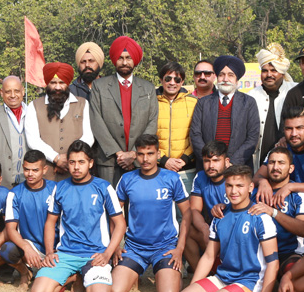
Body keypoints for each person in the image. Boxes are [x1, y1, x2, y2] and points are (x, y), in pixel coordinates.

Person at [172, 165, 278, 292]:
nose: (234, 191)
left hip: (249, 282)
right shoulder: (220, 216)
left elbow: (273, 263)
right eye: (229, 186)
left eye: (239, 186)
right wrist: (193, 287)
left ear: (250, 187)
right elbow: (209, 257)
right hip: (223, 277)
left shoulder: (261, 218)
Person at [30, 140, 125, 292]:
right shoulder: (60, 187)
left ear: (90, 163)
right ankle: (72, 277)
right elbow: (50, 223)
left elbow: (120, 224)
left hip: (94, 255)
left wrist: (107, 254)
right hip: (66, 254)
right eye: (72, 162)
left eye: (81, 162)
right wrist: (49, 252)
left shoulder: (103, 187)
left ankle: (83, 274)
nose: (76, 167)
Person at [110, 134, 191, 292]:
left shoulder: (172, 178)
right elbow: (115, 215)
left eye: (150, 154)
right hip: (134, 248)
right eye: (141, 154)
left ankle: (172, 274)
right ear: (135, 155)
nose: (145, 159)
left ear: (158, 154)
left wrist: (180, 248)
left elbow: (187, 213)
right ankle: (134, 274)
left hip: (165, 246)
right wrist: (116, 246)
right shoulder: (127, 179)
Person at [88, 36, 159, 184]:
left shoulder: (148, 88)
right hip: (109, 160)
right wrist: (119, 153)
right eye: (120, 58)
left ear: (135, 60)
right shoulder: (99, 86)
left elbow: (152, 121)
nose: (125, 62)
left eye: (128, 58)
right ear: (115, 60)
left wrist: (134, 153)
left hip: (139, 159)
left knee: (138, 198)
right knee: (110, 198)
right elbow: (96, 121)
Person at [246, 146, 304, 277]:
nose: (276, 167)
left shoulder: (300, 195)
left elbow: (303, 229)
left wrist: (273, 212)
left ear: (291, 168)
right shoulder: (253, 192)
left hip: (288, 252)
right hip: (256, 252)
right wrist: (221, 207)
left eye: (281, 163)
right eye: (272, 162)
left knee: (294, 270)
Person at [24, 62, 94, 181]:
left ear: (68, 83)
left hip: (76, 172)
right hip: (46, 173)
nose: (57, 87)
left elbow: (88, 136)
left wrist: (69, 159)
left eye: (61, 83)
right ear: (47, 83)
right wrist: (56, 158)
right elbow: (33, 140)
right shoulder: (34, 106)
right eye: (53, 83)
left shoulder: (83, 104)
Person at [188, 55, 260, 168]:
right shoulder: (203, 103)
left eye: (231, 75)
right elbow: (195, 135)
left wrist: (231, 163)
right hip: (209, 167)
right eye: (221, 75)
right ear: (217, 77)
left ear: (237, 79)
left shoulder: (248, 102)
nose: (225, 79)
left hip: (238, 168)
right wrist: (211, 161)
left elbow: (252, 137)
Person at [2, 150, 57, 291]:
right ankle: (25, 272)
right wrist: (26, 247)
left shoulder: (56, 189)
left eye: (35, 170)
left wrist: (54, 250)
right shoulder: (14, 194)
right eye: (27, 170)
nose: (30, 174)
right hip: (31, 246)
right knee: (7, 250)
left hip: (56, 247)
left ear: (45, 170)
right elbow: (10, 229)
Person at [254, 106, 304, 204]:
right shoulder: (279, 151)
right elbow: (257, 177)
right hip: (286, 206)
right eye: (289, 129)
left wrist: (290, 187)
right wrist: (262, 181)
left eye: (299, 128)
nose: (294, 134)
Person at [183, 141, 230, 269]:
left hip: (234, 234)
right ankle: (202, 274)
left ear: (226, 161)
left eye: (216, 161)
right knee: (186, 229)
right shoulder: (200, 177)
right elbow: (194, 210)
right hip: (213, 232)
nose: (211, 166)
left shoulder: (235, 177)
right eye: (207, 161)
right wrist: (204, 229)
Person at [249, 43, 295, 169]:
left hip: (288, 158)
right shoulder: (251, 96)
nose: (269, 75)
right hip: (259, 159)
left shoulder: (295, 91)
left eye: (274, 70)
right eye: (265, 71)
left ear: (282, 72)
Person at [155, 60, 197, 185]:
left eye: (177, 80)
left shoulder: (194, 102)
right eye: (168, 79)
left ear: (182, 82)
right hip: (158, 168)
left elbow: (198, 135)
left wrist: (185, 159)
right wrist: (163, 160)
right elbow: (146, 135)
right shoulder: (150, 102)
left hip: (186, 168)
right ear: (161, 80)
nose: (172, 83)